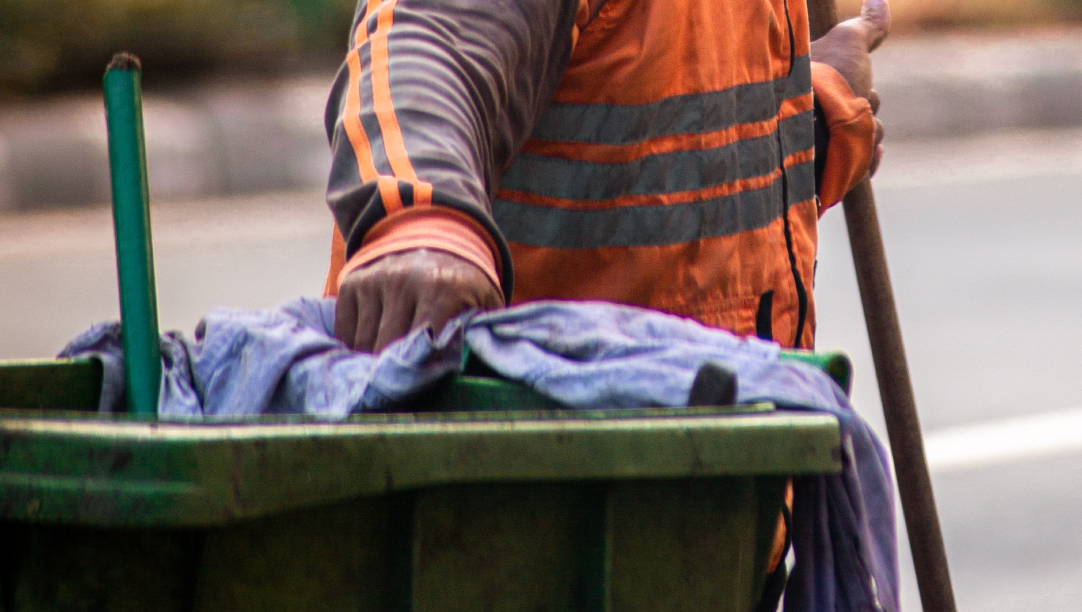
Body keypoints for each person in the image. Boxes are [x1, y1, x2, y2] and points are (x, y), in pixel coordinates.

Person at [322, 0, 889, 356]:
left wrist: (814, 114)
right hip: (521, 495)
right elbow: (423, 51)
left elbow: (661, 147)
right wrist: (422, 224)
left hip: (696, 493)